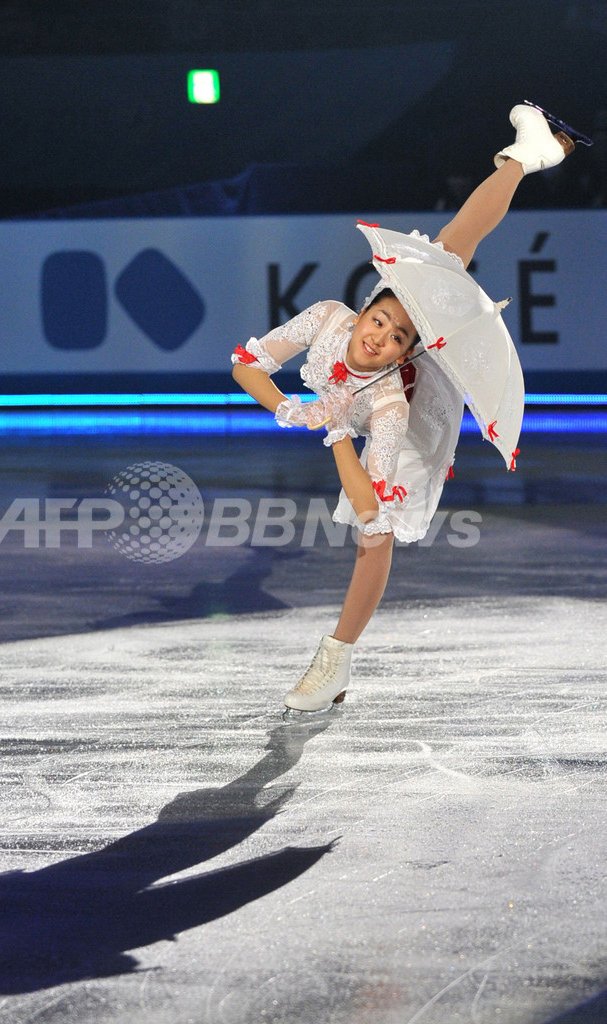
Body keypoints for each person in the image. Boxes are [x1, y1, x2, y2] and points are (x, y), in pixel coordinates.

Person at [231, 102, 585, 716]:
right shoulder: (327, 317)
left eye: (396, 336)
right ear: (364, 310)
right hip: (348, 392)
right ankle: (527, 156)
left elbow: (368, 503)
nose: (379, 337)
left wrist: (339, 428)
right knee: (450, 250)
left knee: (376, 534)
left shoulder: (396, 404)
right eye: (379, 321)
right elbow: (245, 364)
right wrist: (288, 407)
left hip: (414, 412)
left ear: (406, 350)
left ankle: (336, 657)